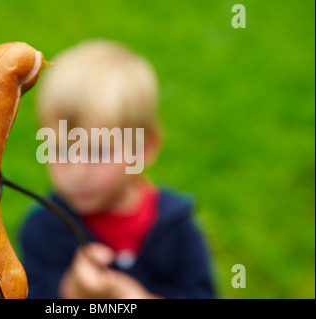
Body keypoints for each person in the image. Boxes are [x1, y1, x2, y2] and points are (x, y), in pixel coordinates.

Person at [19, 39, 215, 299]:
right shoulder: (43, 229)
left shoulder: (177, 227)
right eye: (61, 149)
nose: (78, 172)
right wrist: (72, 291)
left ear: (144, 148)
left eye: (97, 151)